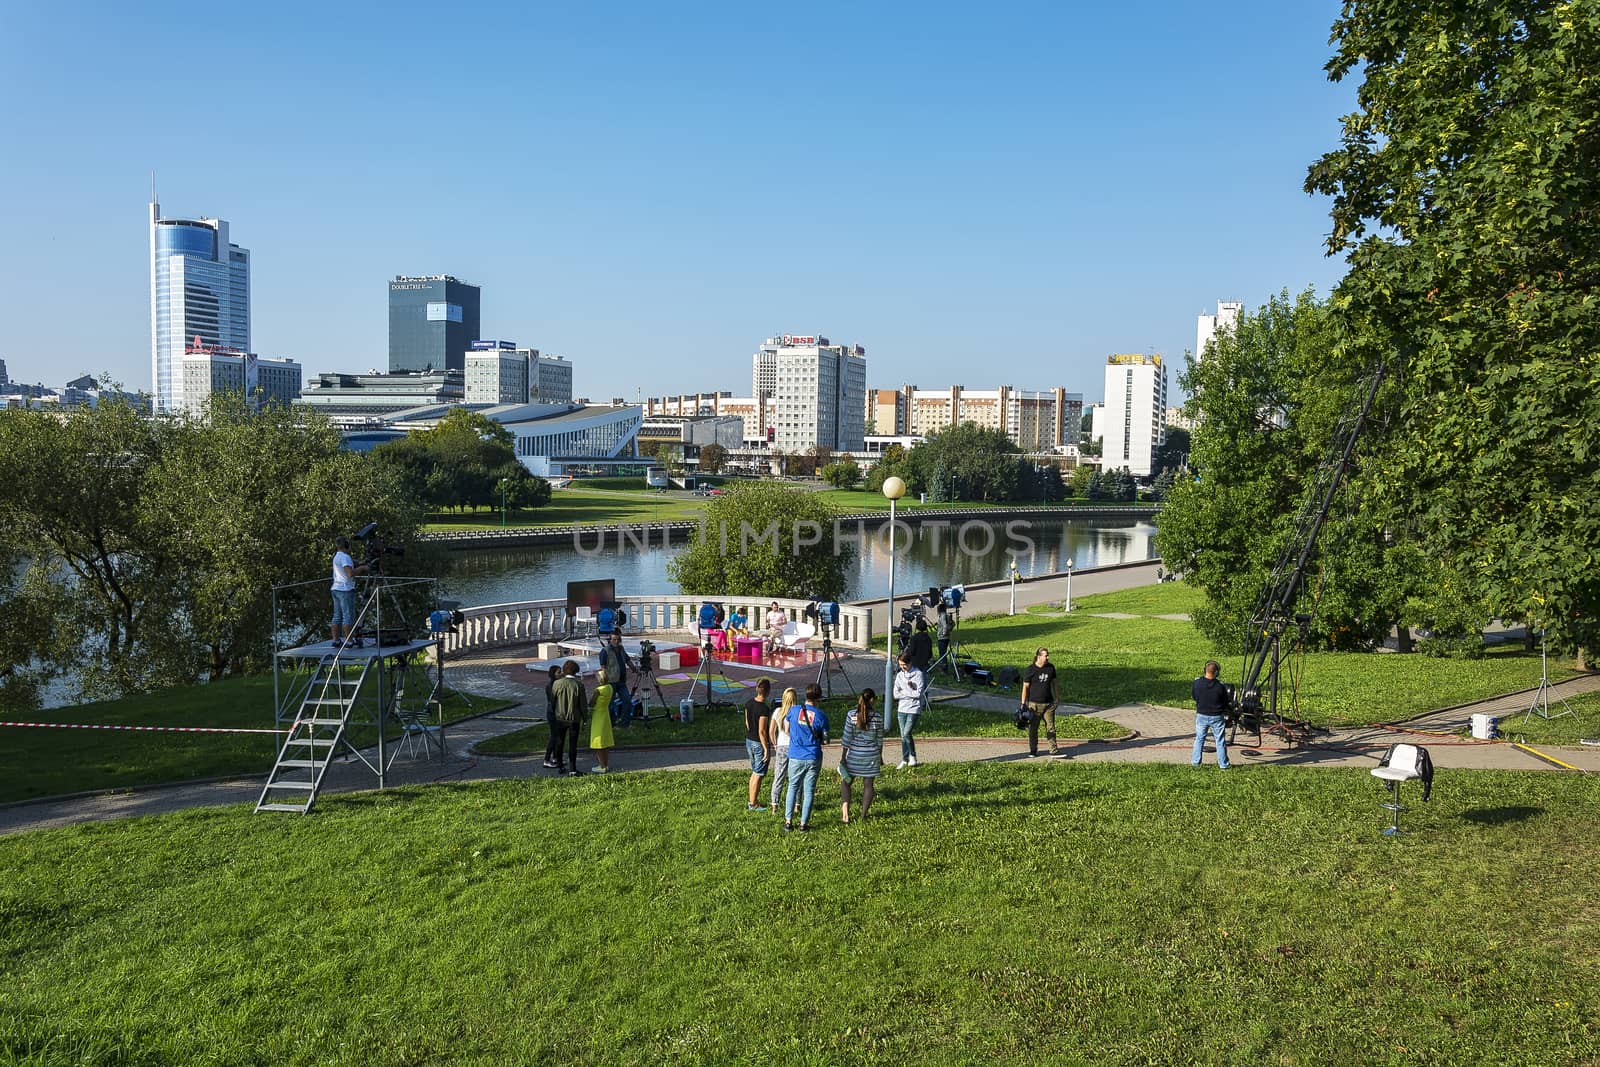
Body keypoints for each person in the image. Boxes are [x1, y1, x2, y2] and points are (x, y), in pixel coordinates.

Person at [782, 683, 830, 833]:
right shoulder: (821, 716)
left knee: (792, 787)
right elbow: (826, 739)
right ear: (819, 698)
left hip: (796, 755)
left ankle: (788, 822)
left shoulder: (794, 710)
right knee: (809, 791)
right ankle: (803, 824)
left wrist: (796, 738)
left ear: (805, 695)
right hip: (813, 756)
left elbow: (786, 728)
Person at [838, 689, 882, 823]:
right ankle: (863, 815)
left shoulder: (851, 715)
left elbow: (846, 738)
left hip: (854, 755)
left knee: (846, 782)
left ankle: (845, 813)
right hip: (871, 756)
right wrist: (880, 756)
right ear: (873, 700)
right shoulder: (878, 717)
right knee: (868, 785)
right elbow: (879, 740)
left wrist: (843, 757)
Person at [1020, 646, 1062, 757]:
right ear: (1039, 656)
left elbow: (1055, 684)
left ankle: (1054, 750)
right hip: (1034, 705)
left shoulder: (1051, 668)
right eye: (1045, 655)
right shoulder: (1030, 670)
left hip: (1049, 704)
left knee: (1051, 727)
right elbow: (1025, 687)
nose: (1048, 657)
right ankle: (1033, 750)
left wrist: (1057, 698)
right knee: (1033, 729)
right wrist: (1023, 703)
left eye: (1048, 655)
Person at [547, 660, 586, 776]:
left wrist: (553, 713)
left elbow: (552, 702)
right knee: (573, 744)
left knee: (560, 742)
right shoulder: (579, 685)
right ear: (576, 671)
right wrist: (585, 718)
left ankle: (560, 765)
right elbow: (582, 704)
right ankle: (573, 769)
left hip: (559, 717)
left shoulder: (557, 684)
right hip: (574, 718)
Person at [1192, 659, 1232, 769]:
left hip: (1201, 715)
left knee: (1199, 739)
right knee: (1220, 741)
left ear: (1205, 670)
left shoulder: (1197, 683)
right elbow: (1225, 701)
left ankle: (1196, 763)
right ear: (1216, 672)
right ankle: (1223, 764)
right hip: (1217, 716)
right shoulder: (1220, 686)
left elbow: (1195, 696)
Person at [329, 536, 368, 647]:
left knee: (337, 616)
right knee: (348, 616)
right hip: (345, 590)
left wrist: (358, 563)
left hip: (336, 588)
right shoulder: (345, 557)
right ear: (346, 545)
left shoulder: (337, 556)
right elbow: (350, 573)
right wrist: (362, 568)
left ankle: (336, 640)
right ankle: (349, 641)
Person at [892, 651, 925, 769]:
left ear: (910, 663)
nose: (902, 667)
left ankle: (913, 756)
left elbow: (918, 694)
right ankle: (905, 759)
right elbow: (895, 694)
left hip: (913, 708)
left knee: (907, 733)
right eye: (900, 665)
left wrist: (904, 692)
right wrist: (908, 693)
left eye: (904, 665)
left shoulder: (918, 674)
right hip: (902, 708)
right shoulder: (900, 675)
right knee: (903, 736)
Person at [743, 678, 773, 810]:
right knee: (758, 773)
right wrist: (766, 748)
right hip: (758, 743)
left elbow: (747, 723)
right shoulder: (764, 709)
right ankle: (753, 803)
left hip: (749, 740)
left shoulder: (749, 703)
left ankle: (752, 800)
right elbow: (762, 731)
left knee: (755, 771)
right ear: (767, 691)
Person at [769, 687, 798, 815]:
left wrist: (775, 744)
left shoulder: (778, 711)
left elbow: (771, 731)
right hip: (795, 747)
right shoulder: (797, 712)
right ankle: (797, 804)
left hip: (781, 746)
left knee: (779, 775)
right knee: (796, 776)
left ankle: (775, 804)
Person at [598, 631, 634, 730]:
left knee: (627, 701)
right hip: (611, 681)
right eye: (614, 639)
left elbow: (627, 660)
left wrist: (634, 669)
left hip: (621, 681)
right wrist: (604, 680)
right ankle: (611, 724)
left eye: (618, 639)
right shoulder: (605, 651)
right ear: (610, 640)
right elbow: (603, 667)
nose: (616, 641)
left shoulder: (621, 649)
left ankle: (624, 724)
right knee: (610, 704)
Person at [589, 677, 615, 773]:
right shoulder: (609, 687)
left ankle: (602, 766)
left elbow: (591, 703)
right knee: (605, 740)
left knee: (598, 741)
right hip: (605, 713)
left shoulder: (598, 690)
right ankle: (605, 764)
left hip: (598, 715)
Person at [541, 664, 562, 769]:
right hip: (553, 714)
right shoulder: (552, 686)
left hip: (554, 713)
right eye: (559, 672)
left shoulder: (555, 684)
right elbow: (553, 701)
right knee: (554, 737)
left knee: (556, 736)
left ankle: (555, 758)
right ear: (553, 674)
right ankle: (546, 759)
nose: (561, 673)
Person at [934, 601, 954, 673]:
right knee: (943, 652)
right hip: (947, 637)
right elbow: (952, 624)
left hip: (942, 637)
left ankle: (944, 669)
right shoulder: (946, 615)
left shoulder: (942, 616)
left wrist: (943, 633)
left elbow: (945, 626)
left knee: (942, 653)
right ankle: (944, 667)